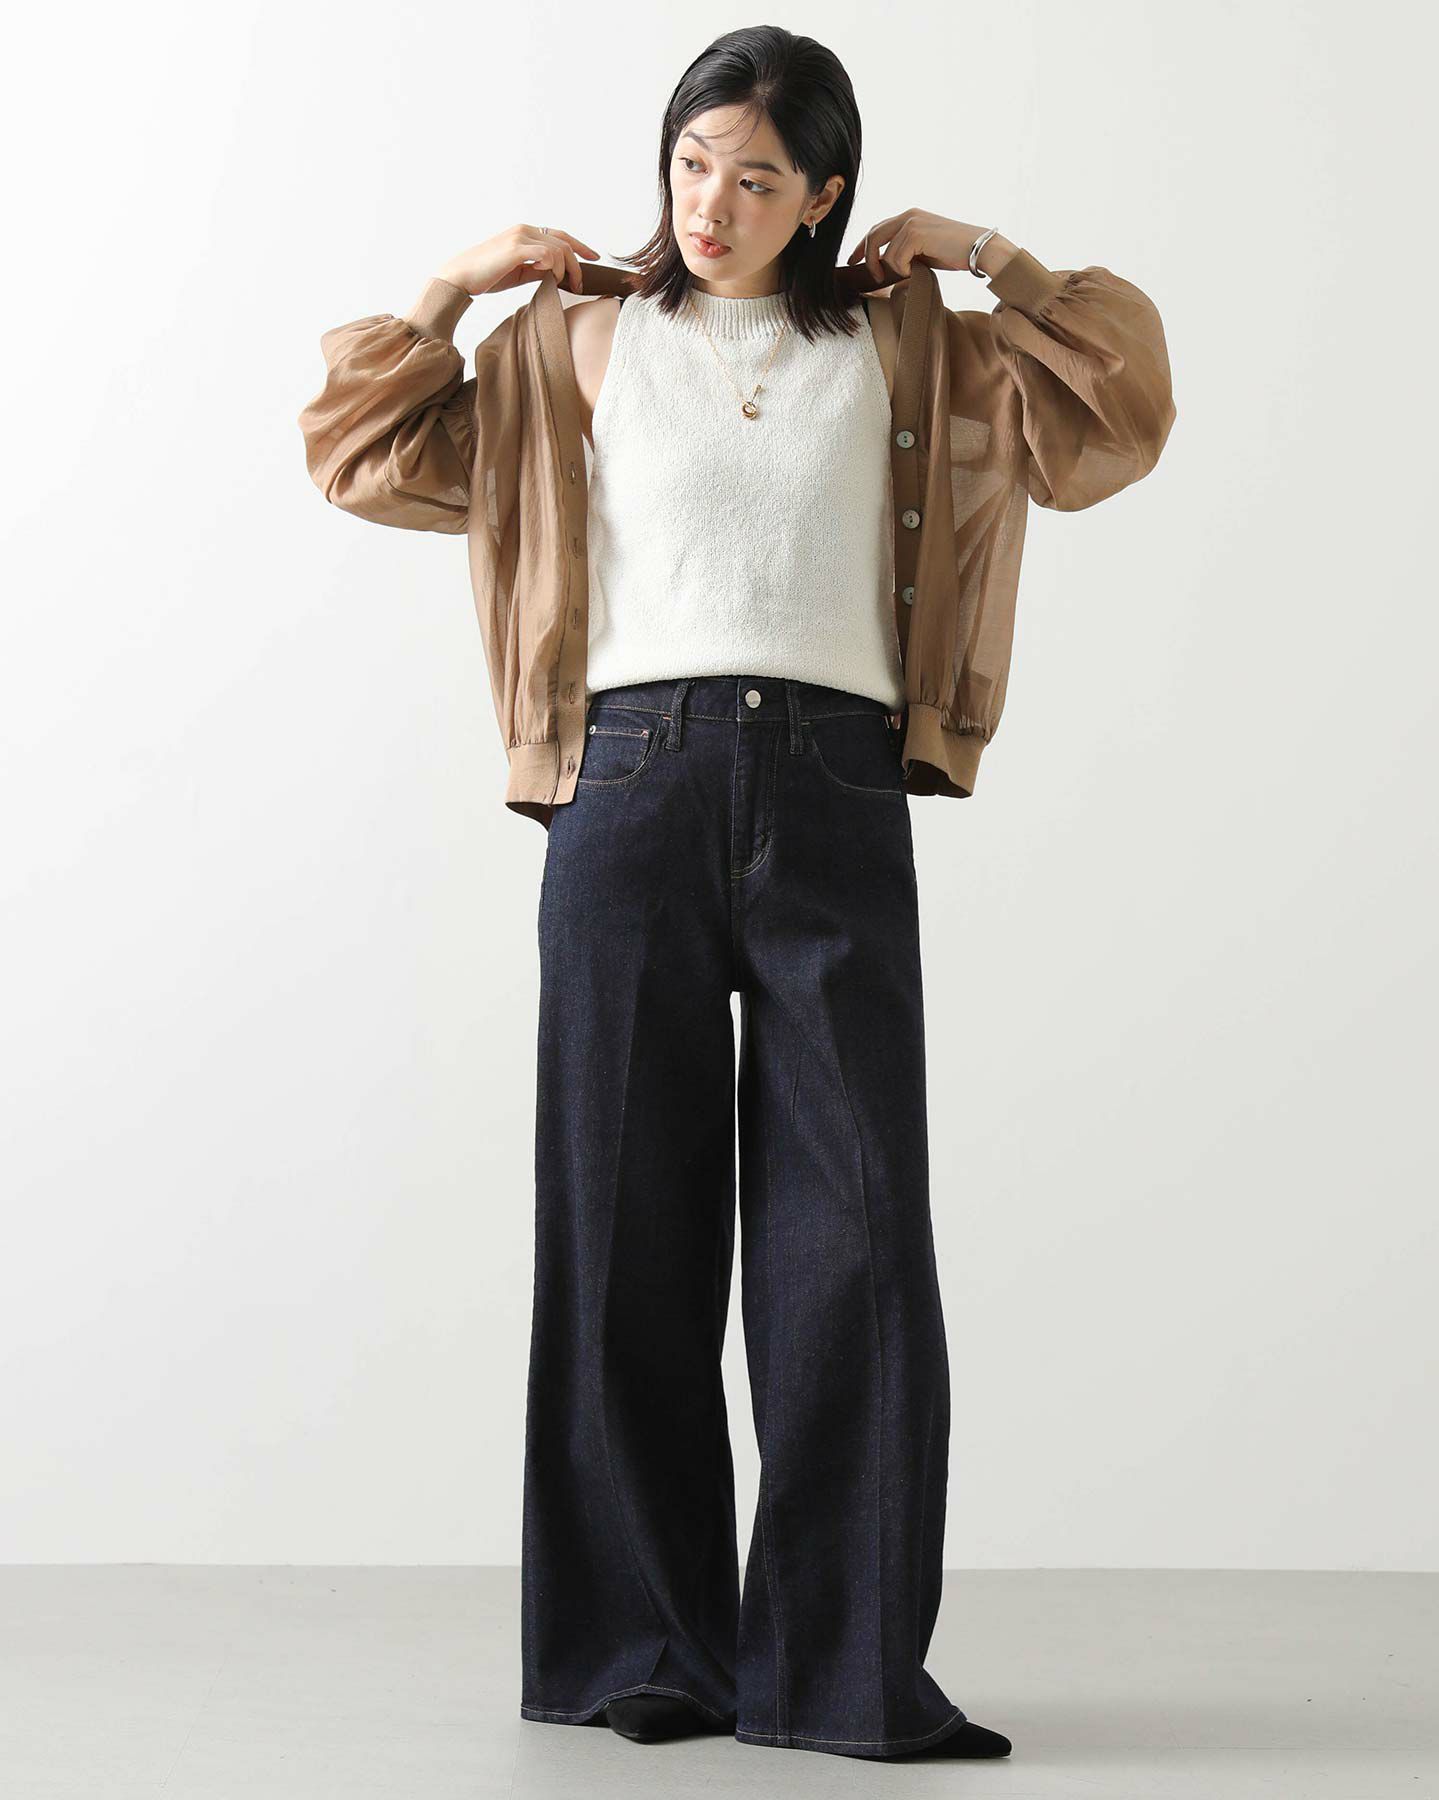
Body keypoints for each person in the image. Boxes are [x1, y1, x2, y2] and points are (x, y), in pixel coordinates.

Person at [298, 23, 1175, 1767]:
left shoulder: (915, 343)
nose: (712, 203)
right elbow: (358, 448)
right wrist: (455, 287)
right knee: (622, 1221)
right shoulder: (577, 340)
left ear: (825, 195)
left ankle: (846, 1673)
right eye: (694, 163)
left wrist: (988, 253)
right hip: (625, 787)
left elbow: (1120, 411)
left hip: (837, 790)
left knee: (856, 1238)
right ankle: (646, 1647)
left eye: (759, 177)